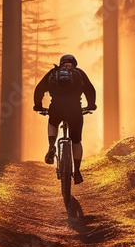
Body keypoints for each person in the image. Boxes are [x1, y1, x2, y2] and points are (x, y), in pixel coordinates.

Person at [33, 54, 96, 184]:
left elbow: (39, 89)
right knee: (77, 141)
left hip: (56, 108)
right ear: (74, 64)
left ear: (61, 63)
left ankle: (51, 145)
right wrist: (91, 105)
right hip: (74, 110)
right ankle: (77, 171)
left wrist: (38, 106)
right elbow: (90, 90)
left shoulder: (53, 73)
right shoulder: (79, 73)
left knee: (52, 122)